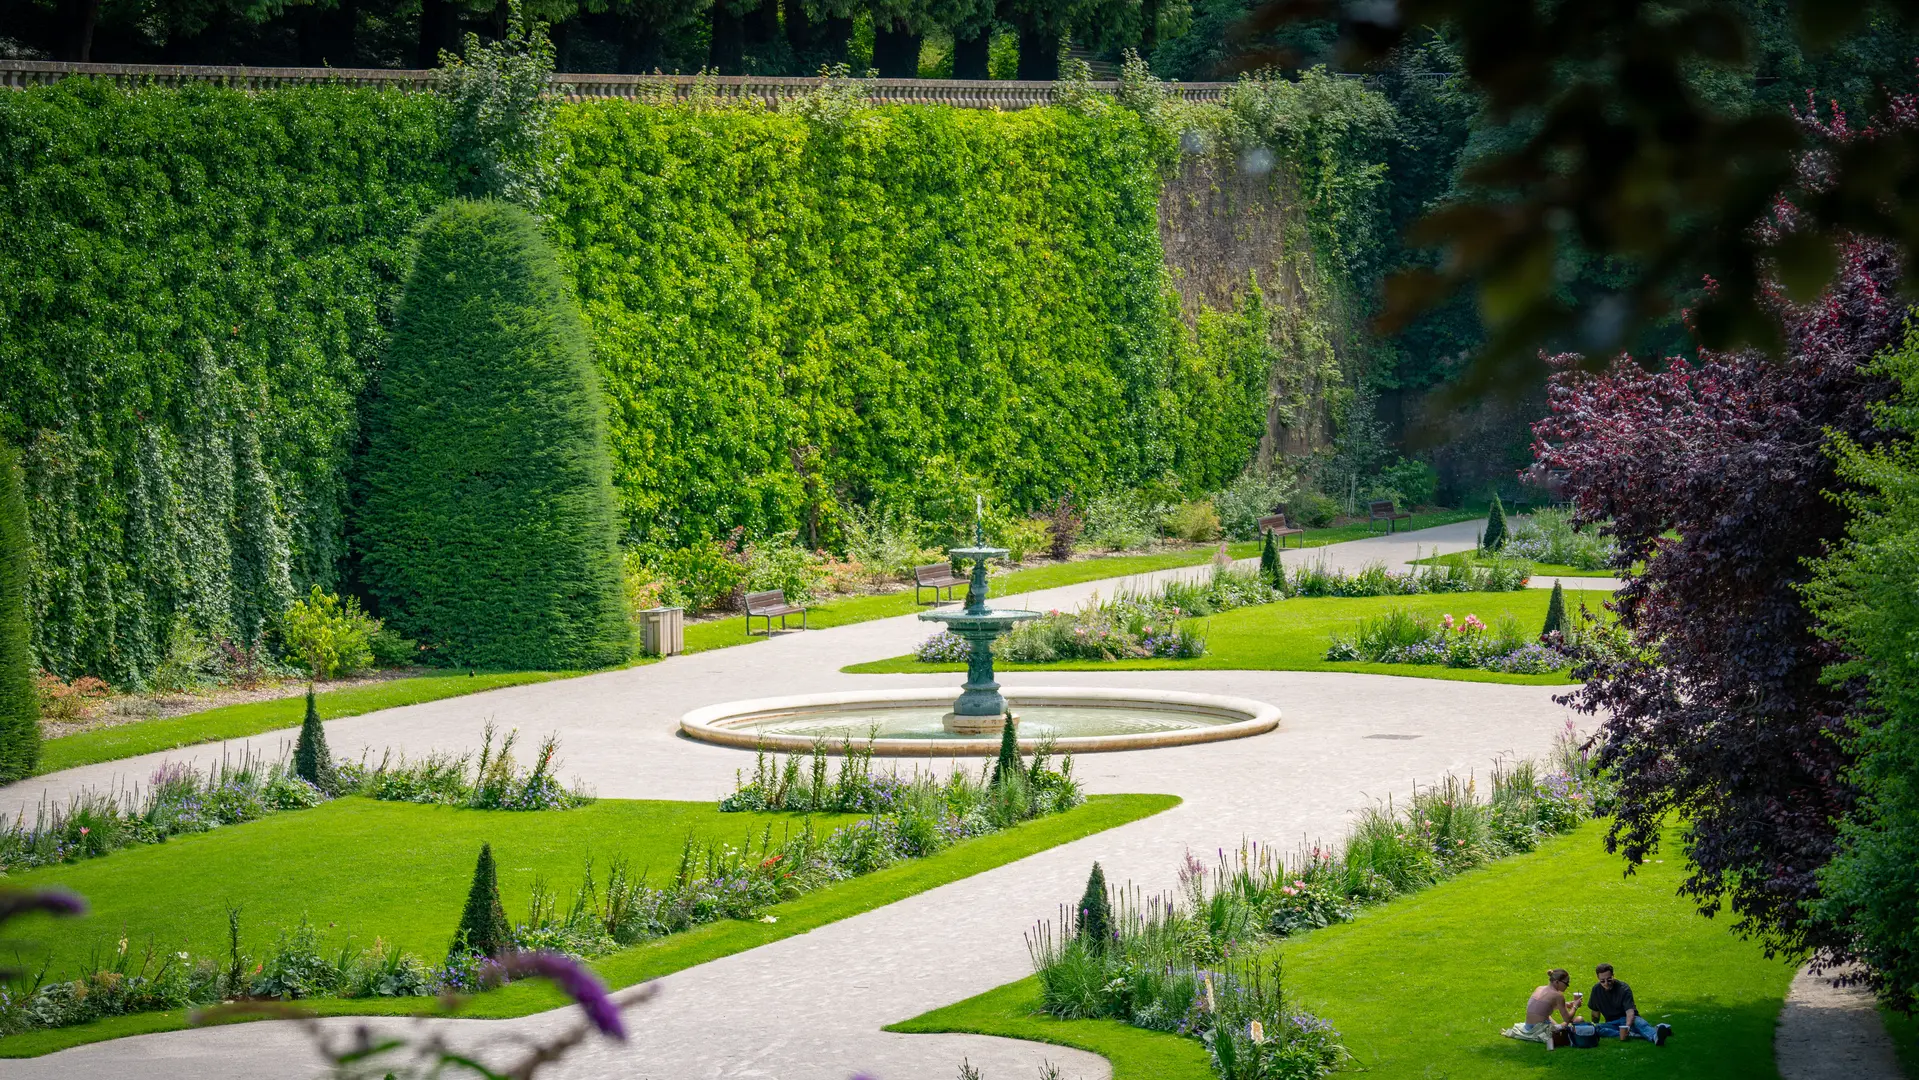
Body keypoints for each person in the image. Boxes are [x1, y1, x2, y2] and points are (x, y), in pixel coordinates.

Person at [1588, 963, 1671, 1046]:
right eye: (1602, 981)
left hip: (1628, 1020)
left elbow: (1630, 1012)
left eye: (1609, 979)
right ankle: (1635, 1034)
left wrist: (1627, 1027)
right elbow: (1595, 1013)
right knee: (1596, 1029)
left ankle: (1655, 1037)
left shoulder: (1623, 988)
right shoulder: (1596, 990)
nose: (1606, 983)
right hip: (1612, 1023)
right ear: (1598, 978)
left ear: (1613, 976)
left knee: (1640, 1024)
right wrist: (1594, 1025)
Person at [1503, 968, 1581, 1048]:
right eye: (1566, 983)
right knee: (1578, 1019)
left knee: (1547, 1016)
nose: (1568, 986)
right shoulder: (1558, 996)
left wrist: (1566, 1004)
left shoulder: (1539, 988)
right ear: (1557, 982)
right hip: (1542, 1029)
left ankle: (1558, 1026)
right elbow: (1567, 1019)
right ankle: (1560, 1028)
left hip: (1528, 1027)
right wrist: (1575, 1006)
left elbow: (1543, 1007)